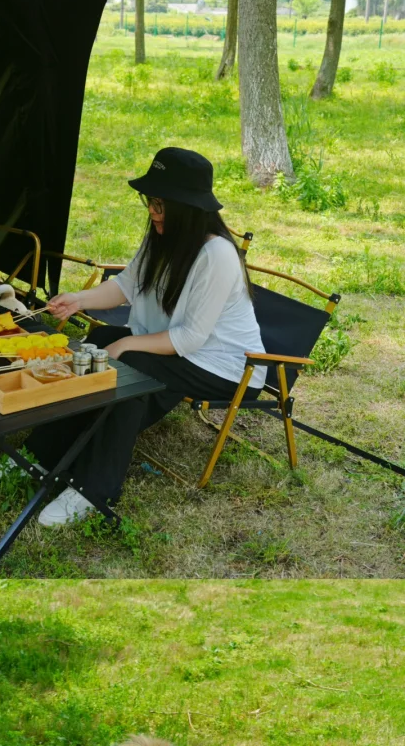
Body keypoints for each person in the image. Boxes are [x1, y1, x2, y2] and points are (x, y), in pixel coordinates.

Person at [26, 147, 264, 526]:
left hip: (226, 364)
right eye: (150, 201)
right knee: (98, 343)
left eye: (159, 203)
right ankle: (41, 455)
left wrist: (128, 344)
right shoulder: (161, 235)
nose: (152, 211)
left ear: (187, 208)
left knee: (130, 368)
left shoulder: (217, 256)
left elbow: (190, 339)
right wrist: (78, 300)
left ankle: (92, 490)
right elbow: (125, 285)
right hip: (178, 346)